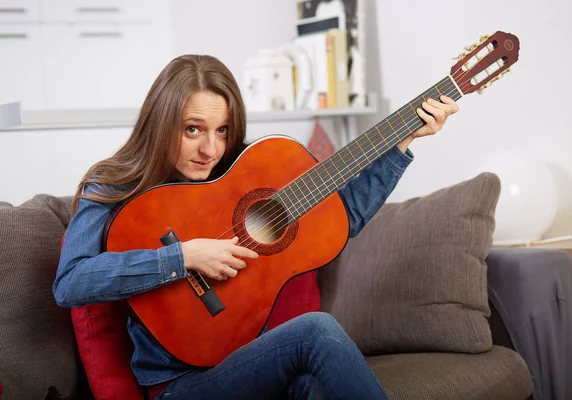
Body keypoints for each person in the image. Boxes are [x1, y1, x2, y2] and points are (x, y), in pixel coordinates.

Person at [53, 54, 459, 400]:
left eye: (222, 131)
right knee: (316, 332)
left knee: (315, 389)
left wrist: (404, 142)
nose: (209, 149)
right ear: (161, 122)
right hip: (178, 384)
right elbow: (70, 283)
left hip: (251, 365)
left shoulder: (243, 173)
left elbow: (341, 221)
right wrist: (183, 257)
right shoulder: (112, 184)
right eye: (193, 129)